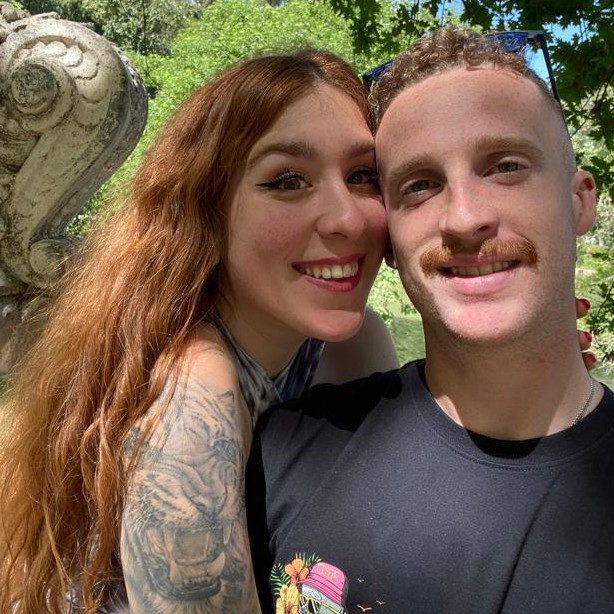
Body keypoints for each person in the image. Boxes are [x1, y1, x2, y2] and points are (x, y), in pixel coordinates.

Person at [0, 49, 400, 613]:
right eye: (288, 180)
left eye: (362, 176)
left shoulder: (348, 347)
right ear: (205, 214)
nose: (349, 218)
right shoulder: (193, 392)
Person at [248, 27, 614, 613]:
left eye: (505, 166)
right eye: (420, 186)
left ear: (580, 202)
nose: (464, 219)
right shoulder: (280, 452)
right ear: (390, 242)